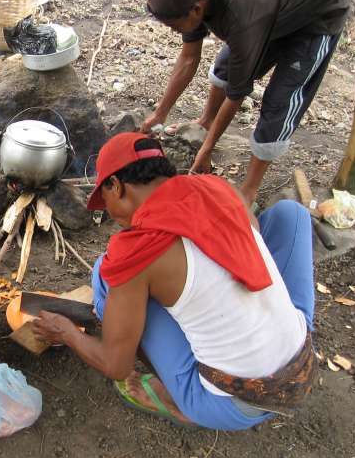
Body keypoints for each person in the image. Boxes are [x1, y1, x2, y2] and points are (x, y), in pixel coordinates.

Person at [32, 133, 316, 430]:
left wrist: (67, 333)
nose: (110, 213)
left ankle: (177, 399)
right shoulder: (218, 188)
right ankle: (260, 326)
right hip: (302, 368)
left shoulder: (137, 249)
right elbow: (252, 230)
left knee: (107, 274)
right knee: (291, 213)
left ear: (115, 186)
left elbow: (116, 366)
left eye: (105, 201)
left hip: (232, 404)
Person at [140, 0, 350, 204]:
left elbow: (236, 96)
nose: (173, 32)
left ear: (196, 10)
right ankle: (205, 122)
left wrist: (204, 154)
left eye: (173, 26)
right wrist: (160, 113)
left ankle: (249, 188)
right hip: (281, 5)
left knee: (279, 102)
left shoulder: (243, 18)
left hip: (319, 16)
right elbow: (188, 57)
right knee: (224, 68)